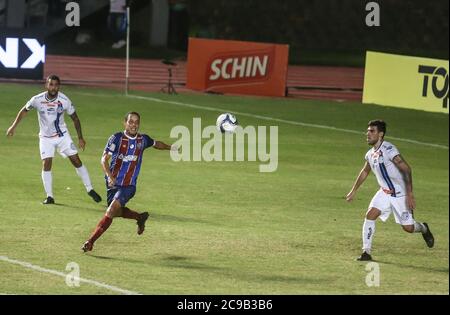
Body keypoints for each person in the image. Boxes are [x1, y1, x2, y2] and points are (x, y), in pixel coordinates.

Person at [82, 112, 178, 252]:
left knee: (111, 211)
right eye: (131, 122)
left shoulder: (142, 140)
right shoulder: (116, 138)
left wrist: (171, 148)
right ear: (125, 123)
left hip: (129, 185)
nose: (134, 125)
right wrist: (109, 176)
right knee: (116, 211)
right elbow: (104, 159)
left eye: (136, 122)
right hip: (113, 184)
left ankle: (90, 241)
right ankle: (140, 217)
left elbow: (156, 144)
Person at [346, 120, 434, 261]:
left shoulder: (389, 150)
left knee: (408, 228)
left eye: (372, 131)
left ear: (380, 134)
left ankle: (424, 228)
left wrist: (410, 194)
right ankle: (366, 252)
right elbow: (365, 171)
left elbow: (406, 169)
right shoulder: (370, 154)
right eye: (367, 131)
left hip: (400, 195)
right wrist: (353, 190)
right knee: (370, 215)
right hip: (384, 192)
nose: (367, 133)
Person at [6, 75, 102, 205]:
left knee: (76, 160)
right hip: (45, 138)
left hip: (62, 136)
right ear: (46, 85)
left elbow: (75, 118)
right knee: (46, 163)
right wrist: (13, 126)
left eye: (56, 85)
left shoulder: (64, 100)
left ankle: (90, 189)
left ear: (59, 86)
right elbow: (24, 110)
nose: (53, 87)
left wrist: (80, 138)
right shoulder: (37, 99)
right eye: (51, 84)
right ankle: (49, 196)